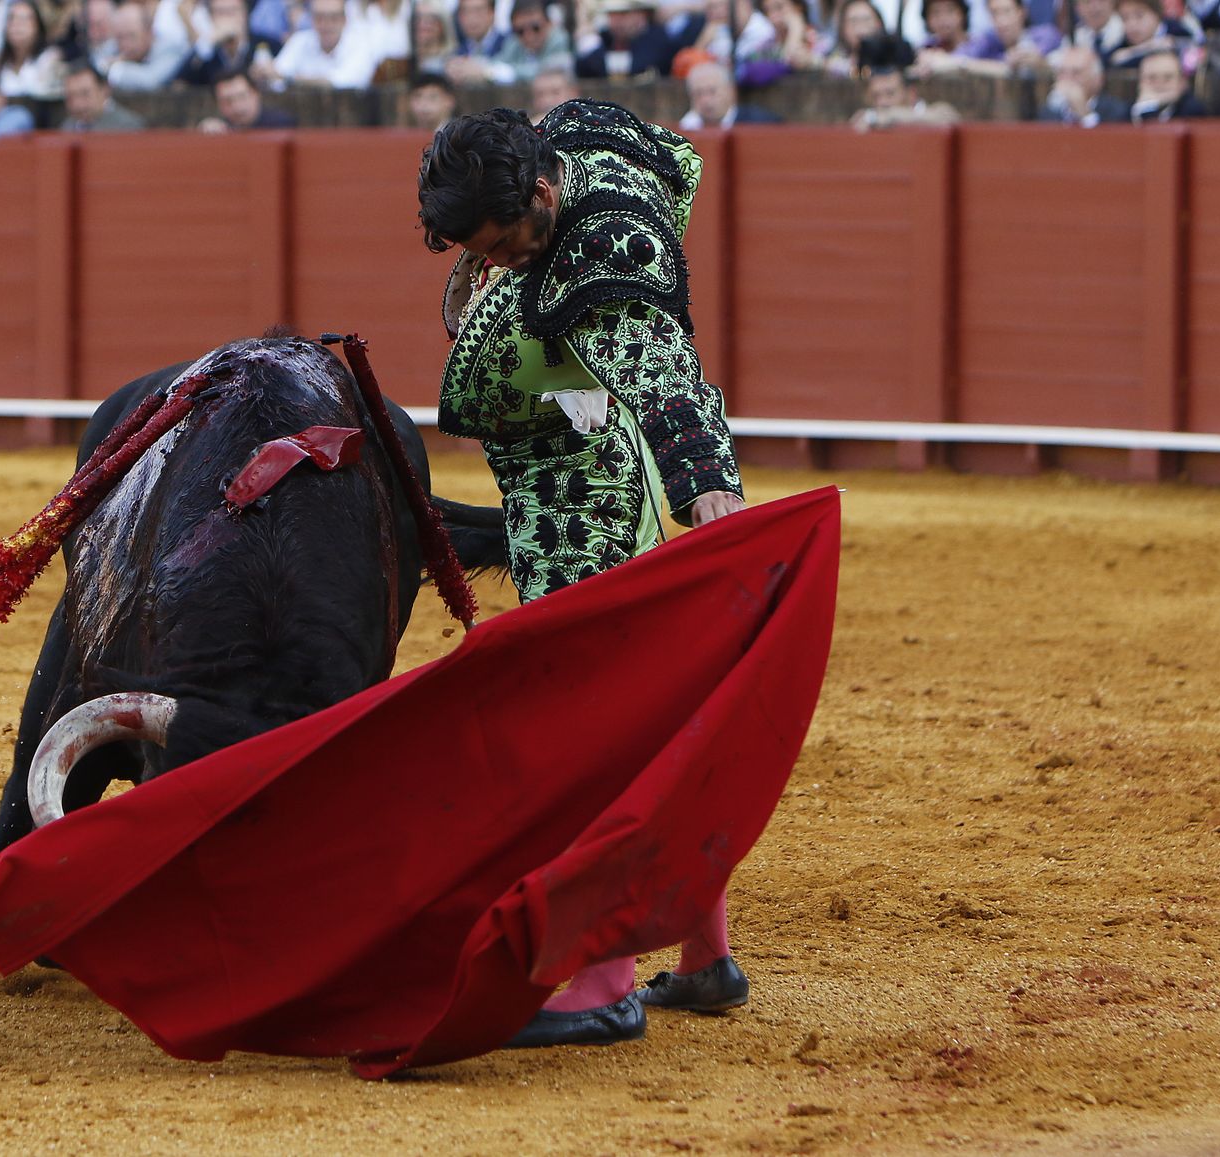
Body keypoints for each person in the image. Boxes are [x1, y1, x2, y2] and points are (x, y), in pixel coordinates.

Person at [416, 102, 748, 1048]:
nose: (507, 260)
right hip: (580, 447)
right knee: (651, 710)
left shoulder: (603, 261)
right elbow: (676, 162)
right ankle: (704, 952)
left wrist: (710, 495)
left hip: (588, 480)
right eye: (482, 249)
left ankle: (601, 977)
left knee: (587, 722)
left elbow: (665, 377)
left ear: (546, 190)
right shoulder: (579, 138)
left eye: (513, 240)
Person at [263, 0, 376, 87]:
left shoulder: (361, 45)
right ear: (311, 19)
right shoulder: (300, 40)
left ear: (344, 20)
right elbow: (275, 78)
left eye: (333, 18)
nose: (326, 25)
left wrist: (290, 79)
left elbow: (340, 83)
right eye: (320, 18)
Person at [178, 0, 281, 86]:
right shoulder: (207, 52)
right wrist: (207, 43)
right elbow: (180, 82)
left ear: (245, 14)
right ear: (211, 17)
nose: (227, 17)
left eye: (232, 10)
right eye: (220, 12)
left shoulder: (268, 43)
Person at [949, 0, 1060, 74]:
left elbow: (1031, 58)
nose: (1002, 21)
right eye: (995, 13)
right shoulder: (988, 40)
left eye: (1007, 11)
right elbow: (956, 58)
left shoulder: (1044, 34)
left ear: (1021, 12)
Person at [575, 0, 678, 77]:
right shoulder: (606, 38)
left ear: (640, 15)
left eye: (623, 14)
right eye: (612, 15)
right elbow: (584, 67)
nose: (617, 21)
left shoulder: (658, 37)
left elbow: (641, 66)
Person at [851, 55, 960, 125]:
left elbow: (949, 118)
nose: (882, 102)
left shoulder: (936, 112)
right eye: (876, 96)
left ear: (911, 94)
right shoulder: (869, 117)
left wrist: (893, 116)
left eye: (890, 94)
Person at [1038, 43, 1130, 124]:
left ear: (1097, 79)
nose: (1067, 79)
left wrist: (1085, 114)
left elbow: (1108, 142)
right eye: (1062, 73)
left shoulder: (1116, 111)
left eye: (1076, 73)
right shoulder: (1048, 112)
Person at [678, 58, 782, 126]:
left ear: (731, 92)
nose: (705, 100)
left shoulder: (761, 123)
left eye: (712, 91)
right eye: (698, 94)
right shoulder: (686, 129)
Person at [491, 0, 574, 82]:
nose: (529, 36)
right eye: (520, 31)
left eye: (535, 28)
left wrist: (510, 72)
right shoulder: (515, 41)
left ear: (549, 23)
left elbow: (547, 72)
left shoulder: (559, 39)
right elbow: (496, 63)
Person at [196, 63, 296, 129]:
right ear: (218, 104)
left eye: (242, 97)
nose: (237, 107)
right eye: (228, 101)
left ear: (256, 93)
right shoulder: (220, 130)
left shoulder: (281, 125)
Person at [0, 0, 65, 96]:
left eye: (24, 19)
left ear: (37, 26)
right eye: (11, 18)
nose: (16, 24)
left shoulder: (50, 58)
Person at [59, 59, 146, 129]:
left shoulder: (128, 127)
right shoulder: (67, 127)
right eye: (70, 97)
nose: (77, 104)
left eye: (85, 94)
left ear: (104, 90)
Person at [1129, 44, 1205, 118]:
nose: (1159, 84)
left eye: (1167, 78)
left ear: (1182, 82)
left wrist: (1151, 106)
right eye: (1152, 78)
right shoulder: (1125, 113)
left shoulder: (1193, 111)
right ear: (1140, 82)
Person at [443, 0, 506, 84]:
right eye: (465, 12)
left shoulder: (510, 43)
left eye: (478, 11)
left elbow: (523, 70)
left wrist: (487, 72)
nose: (471, 18)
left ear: (492, 13)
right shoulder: (457, 50)